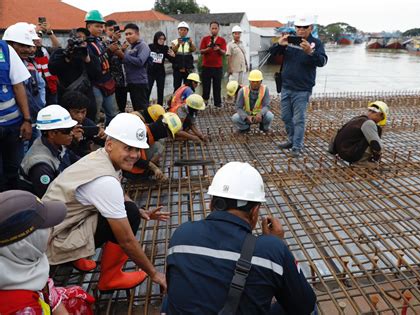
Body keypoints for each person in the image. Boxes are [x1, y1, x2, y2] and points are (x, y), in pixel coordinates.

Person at [164, 162, 316, 314]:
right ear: (254, 211)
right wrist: (276, 243)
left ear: (211, 204)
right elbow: (305, 306)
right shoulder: (270, 249)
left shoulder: (182, 234)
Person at [43, 113, 168, 292]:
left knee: (131, 209)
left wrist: (140, 209)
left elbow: (116, 190)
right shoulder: (104, 181)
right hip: (55, 240)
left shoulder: (102, 157)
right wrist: (154, 273)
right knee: (129, 215)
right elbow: (126, 240)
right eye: (128, 148)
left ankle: (76, 257)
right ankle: (110, 277)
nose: (134, 155)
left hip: (63, 223)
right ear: (109, 145)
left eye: (136, 150)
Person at [0, 190, 95, 315]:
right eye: (46, 227)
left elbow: (49, 290)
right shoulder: (20, 307)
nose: (52, 230)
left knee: (78, 298)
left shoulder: (22, 262)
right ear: (26, 244)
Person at [271, 16, 328, 157]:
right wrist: (279, 44)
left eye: (304, 27)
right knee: (285, 117)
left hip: (302, 89)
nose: (301, 30)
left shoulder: (316, 43)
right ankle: (291, 140)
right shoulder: (289, 40)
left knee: (299, 119)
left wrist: (310, 52)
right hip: (286, 86)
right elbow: (272, 54)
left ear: (311, 28)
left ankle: (297, 146)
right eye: (298, 27)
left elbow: (322, 61)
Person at [19, 105, 80, 197]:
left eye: (71, 129)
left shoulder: (57, 144)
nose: (72, 133)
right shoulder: (41, 166)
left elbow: (77, 162)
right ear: (52, 134)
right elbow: (50, 198)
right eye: (67, 130)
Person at [0, 25, 33, 191]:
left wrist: (27, 119)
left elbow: (18, 85)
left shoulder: (5, 50)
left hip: (13, 126)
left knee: (15, 171)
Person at [5, 23, 46, 147]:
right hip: (17, 122)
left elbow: (41, 85)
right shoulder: (5, 68)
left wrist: (40, 105)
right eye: (23, 46)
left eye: (30, 46)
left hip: (34, 119)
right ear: (9, 45)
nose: (29, 50)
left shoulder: (29, 64)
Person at [49, 28, 100, 122]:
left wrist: (87, 60)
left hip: (87, 100)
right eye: (76, 39)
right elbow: (52, 70)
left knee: (87, 125)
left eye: (82, 40)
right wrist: (67, 58)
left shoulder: (91, 56)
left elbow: (97, 76)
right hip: (66, 100)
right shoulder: (60, 54)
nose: (79, 43)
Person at [328, 101, 388, 168]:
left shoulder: (356, 119)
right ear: (381, 114)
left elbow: (338, 133)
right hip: (350, 155)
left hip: (341, 152)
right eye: (381, 118)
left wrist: (332, 150)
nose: (379, 121)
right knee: (371, 139)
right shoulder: (369, 123)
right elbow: (376, 144)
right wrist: (376, 158)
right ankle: (361, 163)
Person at [85, 10, 118, 126]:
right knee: (94, 114)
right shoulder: (85, 44)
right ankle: (92, 139)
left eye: (101, 26)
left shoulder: (99, 41)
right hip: (95, 84)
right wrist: (109, 51)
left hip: (107, 81)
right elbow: (93, 64)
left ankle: (111, 136)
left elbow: (104, 58)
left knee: (113, 113)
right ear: (89, 26)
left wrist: (110, 51)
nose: (100, 29)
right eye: (97, 26)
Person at [127, 112, 182, 180]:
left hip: (132, 157)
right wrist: (154, 168)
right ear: (164, 128)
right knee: (159, 148)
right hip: (130, 170)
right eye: (168, 134)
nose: (167, 136)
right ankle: (142, 173)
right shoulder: (141, 135)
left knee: (160, 145)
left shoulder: (146, 129)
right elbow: (131, 158)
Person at [113, 23, 150, 111]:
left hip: (139, 83)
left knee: (142, 110)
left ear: (137, 34)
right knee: (136, 109)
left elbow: (140, 61)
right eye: (126, 34)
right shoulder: (129, 47)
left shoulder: (143, 46)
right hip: (130, 82)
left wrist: (123, 55)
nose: (127, 36)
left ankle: (145, 124)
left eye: (130, 34)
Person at [61, 91, 106, 157]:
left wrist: (103, 136)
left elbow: (101, 142)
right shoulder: (60, 127)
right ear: (67, 111)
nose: (80, 116)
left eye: (83, 112)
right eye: (76, 112)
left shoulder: (87, 123)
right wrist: (73, 139)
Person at [199, 21, 227, 108]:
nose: (214, 30)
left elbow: (224, 52)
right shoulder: (205, 39)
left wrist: (218, 49)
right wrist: (208, 48)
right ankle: (205, 102)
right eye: (212, 28)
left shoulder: (222, 40)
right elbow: (201, 51)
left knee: (217, 87)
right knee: (206, 86)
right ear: (210, 29)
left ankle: (217, 103)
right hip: (206, 67)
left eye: (216, 28)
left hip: (218, 67)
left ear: (218, 29)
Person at [34, 20, 60, 105]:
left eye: (40, 37)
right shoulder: (27, 52)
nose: (38, 39)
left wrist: (50, 33)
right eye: (35, 37)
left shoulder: (46, 50)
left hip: (51, 86)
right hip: (36, 88)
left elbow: (58, 48)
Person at [105, 20, 127, 113]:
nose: (113, 32)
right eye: (110, 30)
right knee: (113, 108)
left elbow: (123, 59)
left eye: (115, 31)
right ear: (105, 30)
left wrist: (122, 49)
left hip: (122, 78)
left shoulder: (119, 43)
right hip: (111, 79)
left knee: (122, 104)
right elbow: (105, 58)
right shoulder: (104, 43)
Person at [148, 31, 175, 105]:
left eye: (163, 39)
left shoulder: (165, 48)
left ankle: (160, 106)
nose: (162, 40)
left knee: (160, 90)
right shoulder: (150, 47)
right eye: (160, 39)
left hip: (160, 73)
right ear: (156, 39)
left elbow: (172, 60)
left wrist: (173, 55)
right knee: (148, 89)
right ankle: (145, 106)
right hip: (150, 72)